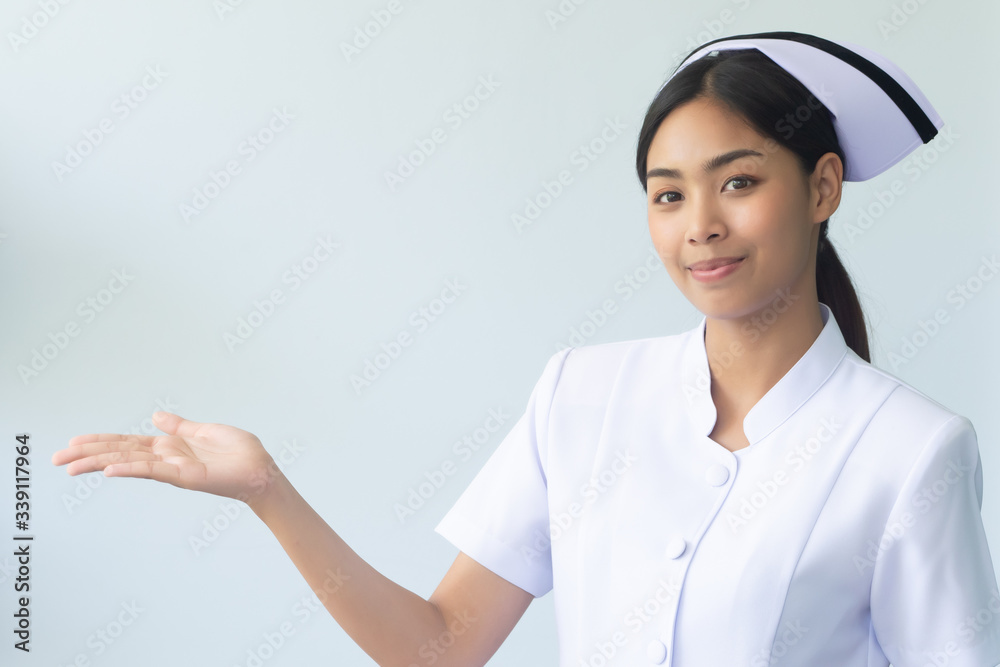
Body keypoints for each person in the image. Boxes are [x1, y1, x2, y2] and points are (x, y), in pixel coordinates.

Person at [53, 31, 1000, 666]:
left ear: (823, 186)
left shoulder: (912, 449)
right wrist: (270, 492)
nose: (701, 224)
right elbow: (442, 643)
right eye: (668, 194)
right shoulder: (581, 395)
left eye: (739, 181)